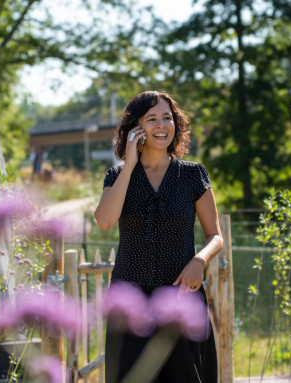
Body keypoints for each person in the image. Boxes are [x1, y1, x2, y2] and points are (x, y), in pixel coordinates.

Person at [94, 90, 222, 383]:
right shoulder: (116, 176)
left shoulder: (192, 175)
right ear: (135, 129)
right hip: (129, 303)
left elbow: (215, 235)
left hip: (180, 300)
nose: (161, 125)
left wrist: (199, 261)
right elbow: (104, 221)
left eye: (167, 118)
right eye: (151, 119)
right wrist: (129, 164)